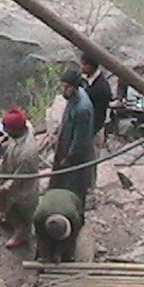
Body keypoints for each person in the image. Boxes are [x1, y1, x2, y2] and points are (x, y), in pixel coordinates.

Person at [0, 108, 40, 249]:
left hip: (22, 189)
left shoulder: (27, 153)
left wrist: (2, 189)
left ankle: (21, 234)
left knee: (20, 212)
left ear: (16, 129)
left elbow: (16, 180)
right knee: (8, 206)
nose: (6, 132)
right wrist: (4, 140)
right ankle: (7, 217)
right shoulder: (22, 131)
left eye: (8, 130)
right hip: (11, 171)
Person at [49, 69, 95, 210]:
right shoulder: (74, 97)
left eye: (66, 87)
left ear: (74, 87)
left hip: (75, 156)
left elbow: (80, 139)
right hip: (65, 143)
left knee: (72, 186)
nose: (63, 90)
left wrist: (69, 157)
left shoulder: (82, 108)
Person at [33, 187, 84, 263]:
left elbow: (72, 237)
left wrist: (59, 253)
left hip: (70, 196)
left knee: (68, 253)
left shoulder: (74, 217)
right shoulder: (38, 217)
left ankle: (67, 256)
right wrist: (45, 255)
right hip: (50, 195)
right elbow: (41, 237)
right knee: (45, 249)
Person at [80, 53, 113, 139]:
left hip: (93, 129)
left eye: (84, 64)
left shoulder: (101, 88)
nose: (81, 67)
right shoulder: (86, 80)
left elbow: (99, 114)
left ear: (91, 66)